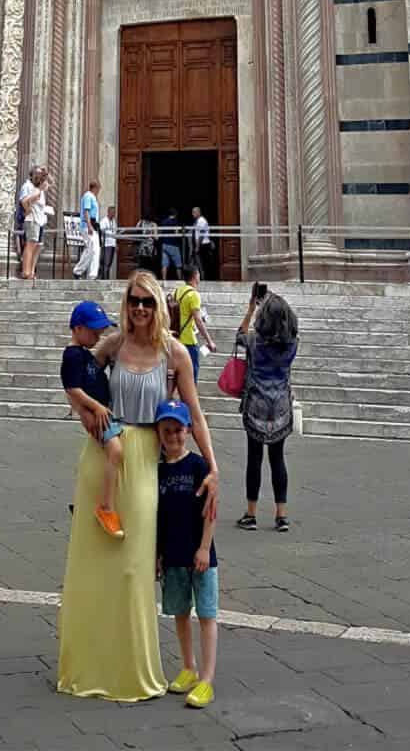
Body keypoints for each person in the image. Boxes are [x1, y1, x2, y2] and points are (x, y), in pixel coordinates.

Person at [57, 272, 218, 702]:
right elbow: (76, 378)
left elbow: (196, 413)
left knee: (134, 567)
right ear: (126, 305)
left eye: (147, 301)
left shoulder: (174, 353)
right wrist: (86, 414)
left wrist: (213, 467)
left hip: (147, 461)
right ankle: (91, 665)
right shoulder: (111, 346)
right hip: (104, 458)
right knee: (97, 569)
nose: (141, 309)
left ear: (159, 306)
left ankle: (132, 668)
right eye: (134, 301)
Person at [155, 398, 219, 710]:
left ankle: (207, 679)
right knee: (180, 614)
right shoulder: (156, 471)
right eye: (167, 430)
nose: (173, 436)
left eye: (178, 430)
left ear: (188, 431)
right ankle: (188, 667)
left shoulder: (198, 466)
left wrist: (205, 547)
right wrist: (157, 554)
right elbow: (156, 517)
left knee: (206, 615)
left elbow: (211, 512)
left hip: (201, 555)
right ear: (158, 432)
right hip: (173, 555)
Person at [234, 288, 298, 532]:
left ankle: (251, 513)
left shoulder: (254, 342)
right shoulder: (292, 345)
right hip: (280, 405)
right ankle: (281, 514)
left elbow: (239, 335)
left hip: (256, 406)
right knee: (277, 458)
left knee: (254, 457)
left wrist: (251, 309)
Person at [61, 300, 125, 538]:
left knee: (101, 460)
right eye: (94, 330)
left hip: (105, 412)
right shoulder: (72, 356)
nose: (99, 334)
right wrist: (94, 408)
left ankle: (86, 501)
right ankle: (106, 507)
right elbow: (73, 388)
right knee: (115, 452)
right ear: (78, 328)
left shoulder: (85, 354)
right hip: (100, 415)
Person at [176, 264, 215, 383]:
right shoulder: (194, 295)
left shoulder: (178, 291)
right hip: (189, 340)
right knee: (192, 375)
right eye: (198, 273)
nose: (199, 276)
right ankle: (190, 399)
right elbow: (198, 320)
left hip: (177, 338)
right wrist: (209, 341)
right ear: (194, 276)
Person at [18, 167, 50, 281]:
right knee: (30, 245)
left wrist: (45, 173)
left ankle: (31, 271)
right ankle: (25, 271)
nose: (39, 177)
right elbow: (24, 201)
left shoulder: (37, 188)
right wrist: (27, 210)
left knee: (37, 246)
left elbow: (47, 179)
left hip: (40, 220)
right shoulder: (28, 187)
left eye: (40, 176)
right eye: (37, 175)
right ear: (32, 176)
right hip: (32, 219)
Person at [75, 180, 102, 278]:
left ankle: (92, 274)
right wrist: (89, 226)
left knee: (95, 250)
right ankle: (78, 270)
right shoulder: (88, 196)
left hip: (94, 225)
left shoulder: (93, 197)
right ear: (95, 188)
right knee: (90, 249)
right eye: (98, 189)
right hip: (87, 225)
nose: (98, 191)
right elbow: (86, 211)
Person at [190, 208, 214, 281]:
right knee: (200, 264)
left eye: (194, 212)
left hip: (203, 245)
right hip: (201, 245)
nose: (192, 214)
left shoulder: (201, 221)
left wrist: (197, 246)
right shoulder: (197, 221)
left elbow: (201, 234)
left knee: (203, 264)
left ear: (198, 212)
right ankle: (202, 278)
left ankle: (205, 279)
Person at [160, 209, 184, 278]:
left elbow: (161, 232)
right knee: (178, 264)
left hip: (164, 244)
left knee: (164, 264)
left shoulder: (163, 221)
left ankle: (164, 280)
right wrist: (181, 233)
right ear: (175, 214)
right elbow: (176, 232)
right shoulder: (175, 221)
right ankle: (180, 281)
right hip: (173, 245)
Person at [100, 207, 118, 279]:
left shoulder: (114, 221)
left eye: (114, 213)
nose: (113, 214)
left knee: (109, 263)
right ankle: (104, 280)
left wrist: (116, 244)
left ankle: (107, 279)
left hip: (112, 244)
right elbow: (102, 231)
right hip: (106, 244)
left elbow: (115, 233)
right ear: (108, 212)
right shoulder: (103, 221)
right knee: (105, 264)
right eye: (112, 212)